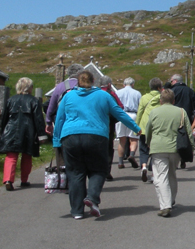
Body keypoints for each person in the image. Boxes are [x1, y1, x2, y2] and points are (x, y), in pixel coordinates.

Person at [53, 70, 141, 219]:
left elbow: (60, 119)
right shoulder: (103, 95)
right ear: (93, 81)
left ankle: (77, 211)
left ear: (78, 82)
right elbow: (119, 113)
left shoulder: (68, 96)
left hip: (70, 137)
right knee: (98, 170)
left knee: (75, 173)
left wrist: (56, 141)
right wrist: (136, 128)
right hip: (96, 136)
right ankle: (92, 198)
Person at [145, 89, 193, 217]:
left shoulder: (154, 112)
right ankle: (170, 200)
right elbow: (188, 130)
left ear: (161, 100)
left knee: (161, 177)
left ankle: (165, 205)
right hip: (175, 148)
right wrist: (192, 146)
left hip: (158, 147)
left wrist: (148, 141)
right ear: (174, 100)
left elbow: (148, 129)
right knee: (172, 174)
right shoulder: (181, 112)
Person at [0, 77, 46, 191]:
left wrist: (2, 132)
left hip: (11, 130)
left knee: (11, 156)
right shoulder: (34, 101)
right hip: (28, 131)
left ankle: (8, 180)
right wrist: (42, 135)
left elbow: (4, 117)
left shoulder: (11, 100)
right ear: (29, 88)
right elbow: (39, 120)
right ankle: (24, 180)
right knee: (27, 156)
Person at [45, 65, 81, 166]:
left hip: (62, 124)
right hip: (80, 124)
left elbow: (51, 107)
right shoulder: (84, 86)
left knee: (62, 152)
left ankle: (63, 173)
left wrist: (48, 122)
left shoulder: (60, 86)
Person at [135, 78, 163, 183]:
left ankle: (143, 166)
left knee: (143, 149)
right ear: (160, 87)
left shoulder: (144, 98)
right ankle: (152, 171)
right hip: (157, 127)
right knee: (155, 150)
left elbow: (140, 112)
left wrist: (136, 127)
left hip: (144, 127)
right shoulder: (162, 97)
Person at [169, 74, 195, 168]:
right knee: (185, 137)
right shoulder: (190, 91)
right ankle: (183, 158)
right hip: (187, 117)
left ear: (175, 81)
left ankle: (175, 158)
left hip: (173, 116)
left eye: (171, 81)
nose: (171, 83)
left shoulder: (172, 91)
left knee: (173, 137)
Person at [98, 75, 124, 181]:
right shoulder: (111, 94)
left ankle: (96, 171)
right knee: (108, 149)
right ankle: (106, 171)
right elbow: (120, 107)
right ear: (109, 84)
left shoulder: (94, 93)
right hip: (108, 125)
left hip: (95, 125)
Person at [115, 77, 141, 169]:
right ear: (133, 84)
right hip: (133, 114)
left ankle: (120, 161)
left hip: (121, 115)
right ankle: (132, 154)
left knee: (122, 140)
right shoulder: (137, 93)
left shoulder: (118, 92)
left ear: (123, 84)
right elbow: (140, 105)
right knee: (133, 139)